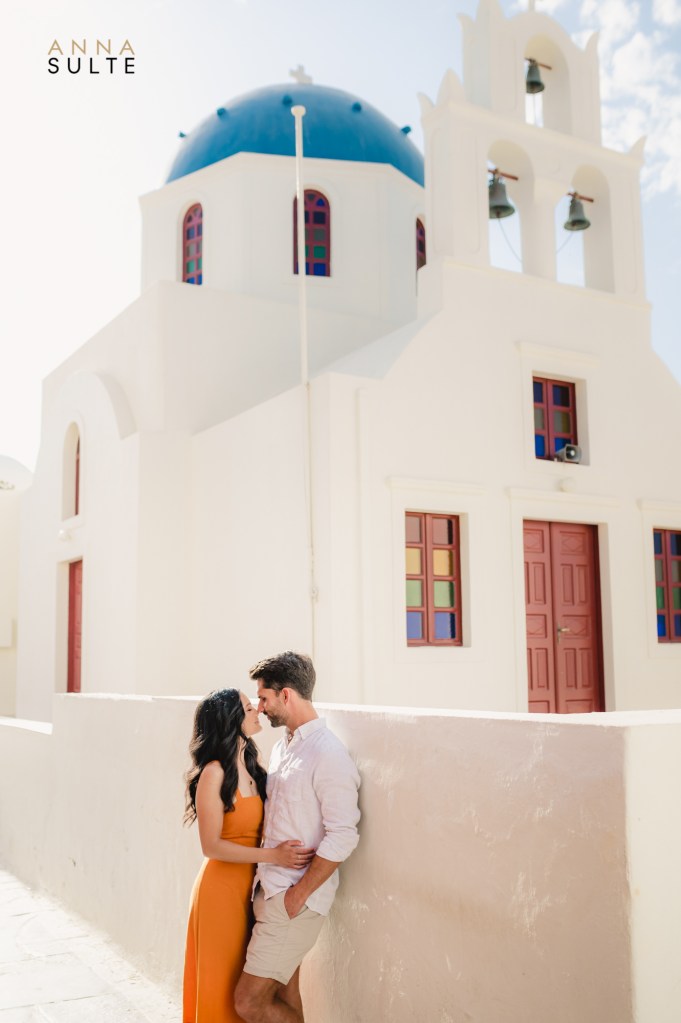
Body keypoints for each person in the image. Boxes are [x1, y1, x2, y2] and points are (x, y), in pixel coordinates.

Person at [234, 652, 361, 1023]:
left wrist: (298, 896)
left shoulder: (329, 754)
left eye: (264, 698)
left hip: (292, 902)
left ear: (286, 695)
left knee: (249, 1002)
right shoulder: (282, 747)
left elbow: (343, 835)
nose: (260, 707)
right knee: (287, 1000)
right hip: (269, 890)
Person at [183, 688, 315, 1023]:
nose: (257, 709)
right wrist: (274, 856)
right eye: (247, 707)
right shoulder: (214, 773)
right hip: (222, 891)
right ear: (232, 720)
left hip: (256, 888)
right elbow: (210, 845)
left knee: (258, 983)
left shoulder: (254, 766)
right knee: (224, 985)